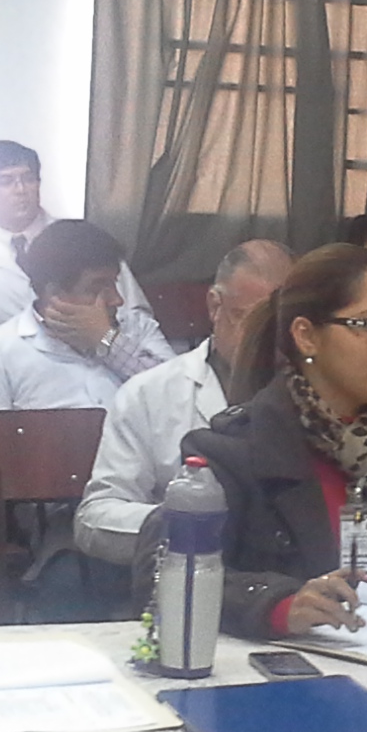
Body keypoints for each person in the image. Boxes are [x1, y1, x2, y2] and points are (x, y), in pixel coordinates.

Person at [152, 245, 367, 637]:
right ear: (306, 336)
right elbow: (163, 573)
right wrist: (278, 606)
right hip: (288, 662)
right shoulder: (233, 452)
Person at [74, 240, 293, 565]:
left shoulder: (315, 393)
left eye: (281, 324)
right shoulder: (149, 394)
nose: (266, 339)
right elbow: (96, 517)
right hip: (184, 569)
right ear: (215, 306)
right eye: (249, 320)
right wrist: (185, 522)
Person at [0, 141, 172, 360]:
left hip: (102, 359)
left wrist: (105, 338)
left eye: (28, 179)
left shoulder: (84, 239)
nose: (20, 189)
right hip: (15, 367)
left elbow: (136, 316)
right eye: (6, 181)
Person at [0, 219, 174, 412]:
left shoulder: (137, 326)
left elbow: (178, 394)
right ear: (54, 294)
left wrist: (107, 340)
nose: (117, 300)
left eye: (114, 283)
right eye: (97, 288)